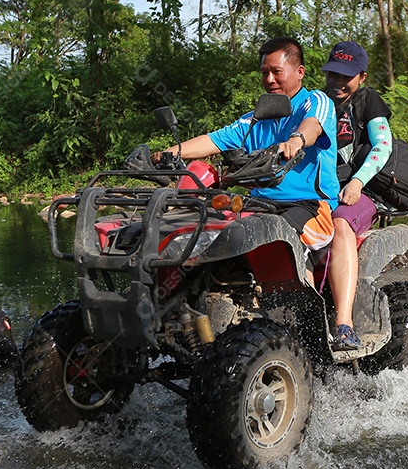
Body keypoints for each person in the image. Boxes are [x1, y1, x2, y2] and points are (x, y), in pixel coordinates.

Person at [155, 35, 340, 258]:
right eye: (264, 73)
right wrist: (168, 153)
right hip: (259, 205)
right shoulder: (255, 119)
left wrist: (296, 140)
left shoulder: (315, 101)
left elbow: (313, 126)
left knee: (278, 246)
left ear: (300, 72)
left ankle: (300, 281)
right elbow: (212, 140)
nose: (269, 79)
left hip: (308, 206)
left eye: (277, 72)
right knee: (208, 233)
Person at [322, 40, 393, 351]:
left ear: (362, 76)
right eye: (333, 74)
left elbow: (383, 145)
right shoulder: (318, 102)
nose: (338, 82)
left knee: (340, 224)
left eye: (346, 76)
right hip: (322, 190)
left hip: (360, 193)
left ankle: (344, 324)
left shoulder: (368, 99)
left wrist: (357, 182)